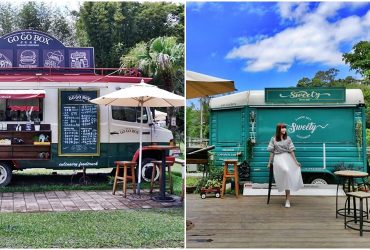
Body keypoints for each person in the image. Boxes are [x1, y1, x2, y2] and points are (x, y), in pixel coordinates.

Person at [267, 123, 304, 208]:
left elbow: (291, 151)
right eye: (282, 128)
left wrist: (296, 161)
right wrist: (269, 162)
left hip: (287, 157)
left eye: (285, 128)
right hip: (278, 158)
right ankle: (282, 187)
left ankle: (287, 199)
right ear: (278, 129)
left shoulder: (288, 138)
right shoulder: (273, 139)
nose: (284, 130)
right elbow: (271, 152)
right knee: (285, 170)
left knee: (288, 172)